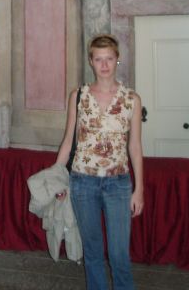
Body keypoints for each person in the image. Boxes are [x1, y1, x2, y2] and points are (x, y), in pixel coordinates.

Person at [55, 34, 143, 290]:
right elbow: (68, 141)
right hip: (83, 182)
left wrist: (139, 189)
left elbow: (135, 146)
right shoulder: (78, 96)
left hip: (118, 183)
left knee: (119, 254)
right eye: (98, 59)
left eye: (109, 59)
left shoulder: (131, 99)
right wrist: (58, 179)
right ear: (90, 61)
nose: (104, 65)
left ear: (118, 60)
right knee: (92, 252)